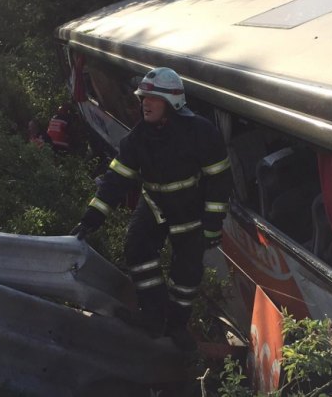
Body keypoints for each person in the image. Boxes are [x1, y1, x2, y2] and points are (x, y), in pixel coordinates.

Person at [71, 67, 232, 350]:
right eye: (143, 98)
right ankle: (153, 317)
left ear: (173, 102)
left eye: (152, 98)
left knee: (186, 276)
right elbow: (116, 179)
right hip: (154, 207)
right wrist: (92, 217)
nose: (144, 103)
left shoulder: (201, 133)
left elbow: (220, 179)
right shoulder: (138, 138)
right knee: (137, 252)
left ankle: (177, 326)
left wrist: (213, 224)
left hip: (189, 213)